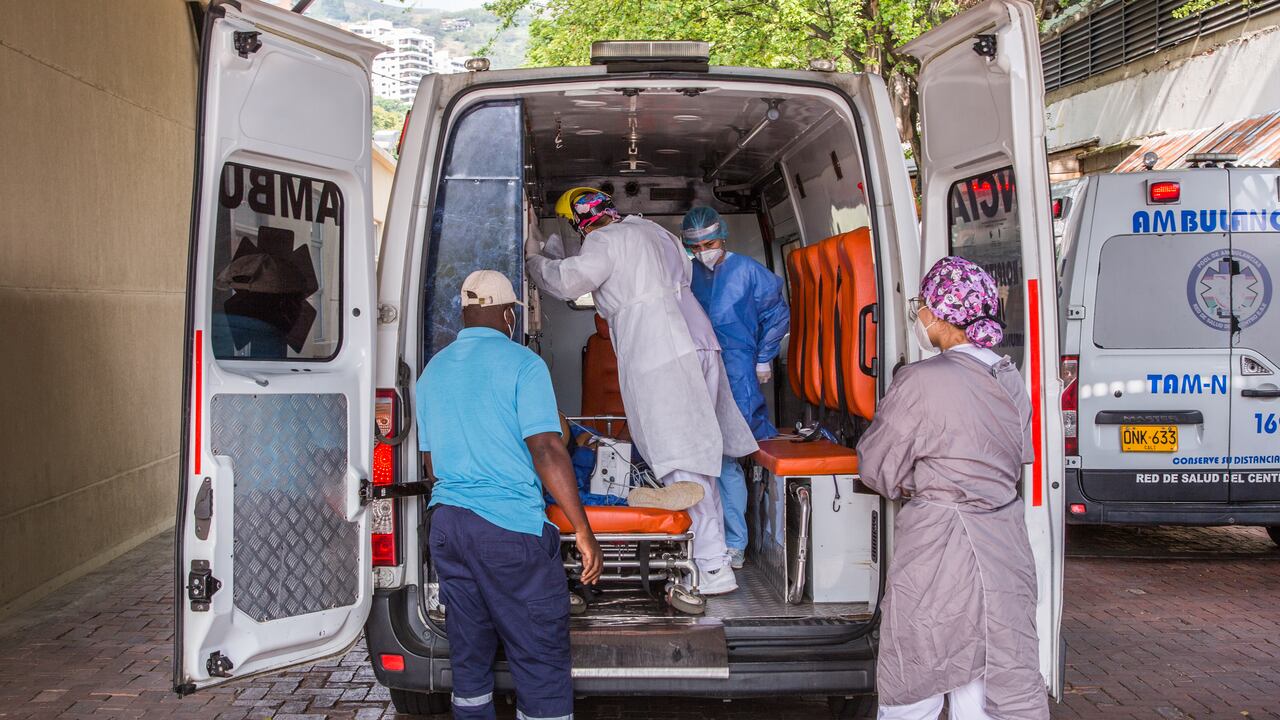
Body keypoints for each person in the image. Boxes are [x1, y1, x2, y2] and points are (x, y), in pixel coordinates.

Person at [525, 188, 758, 594]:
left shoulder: (605, 239)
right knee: (701, 452)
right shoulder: (653, 231)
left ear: (583, 220)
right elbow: (679, 277)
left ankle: (711, 566)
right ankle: (714, 555)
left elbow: (569, 282)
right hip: (697, 339)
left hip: (660, 348)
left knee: (682, 456)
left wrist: (534, 263)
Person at [856, 256, 1048, 720]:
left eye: (922, 304)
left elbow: (877, 466)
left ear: (942, 315)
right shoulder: (1009, 377)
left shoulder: (921, 381)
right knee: (989, 675)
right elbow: (1018, 455)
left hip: (939, 546)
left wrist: (919, 483)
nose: (919, 315)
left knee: (918, 673)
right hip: (1004, 540)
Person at [416, 269, 603, 720]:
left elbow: (432, 465)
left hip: (448, 527)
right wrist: (582, 530)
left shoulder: (432, 371)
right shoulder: (523, 364)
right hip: (508, 533)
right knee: (538, 656)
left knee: (470, 654)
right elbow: (546, 448)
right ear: (506, 314)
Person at [682, 206, 789, 569]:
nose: (702, 252)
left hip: (738, 369)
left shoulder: (749, 273)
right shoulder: (686, 274)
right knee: (699, 459)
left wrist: (764, 358)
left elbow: (777, 314)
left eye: (708, 243)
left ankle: (735, 542)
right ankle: (704, 539)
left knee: (727, 459)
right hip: (696, 371)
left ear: (723, 236)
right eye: (694, 247)